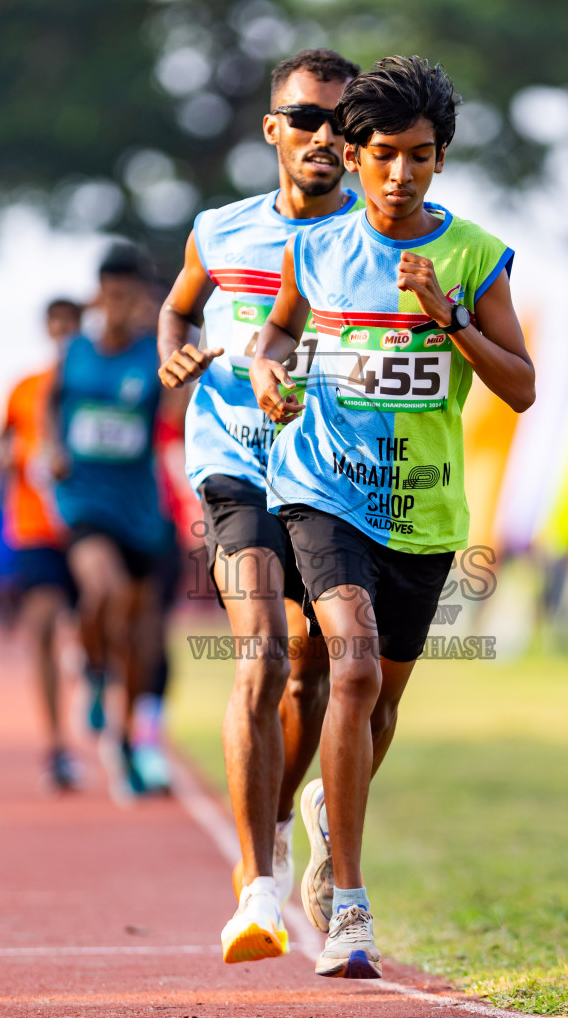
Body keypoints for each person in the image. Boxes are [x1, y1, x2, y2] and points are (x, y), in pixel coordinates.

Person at [249, 55, 535, 979]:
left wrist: (449, 318)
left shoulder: (475, 254)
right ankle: (350, 904)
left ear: (441, 159)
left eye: (418, 156)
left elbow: (522, 389)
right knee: (353, 666)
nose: (398, 174)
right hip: (322, 490)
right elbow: (280, 332)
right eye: (382, 155)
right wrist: (271, 375)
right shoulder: (319, 245)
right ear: (354, 153)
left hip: (424, 509)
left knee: (379, 709)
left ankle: (332, 811)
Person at [157, 47, 361, 965]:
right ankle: (255, 891)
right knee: (263, 649)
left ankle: (282, 822)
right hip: (232, 461)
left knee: (314, 664)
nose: (325, 135)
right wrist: (177, 354)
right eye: (306, 118)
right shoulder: (220, 229)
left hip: (330, 472)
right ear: (273, 129)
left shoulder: (375, 240)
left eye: (341, 122)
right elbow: (179, 309)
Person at [52, 244, 177, 798]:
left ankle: (126, 735)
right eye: (114, 295)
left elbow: (174, 418)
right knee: (101, 588)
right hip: (83, 501)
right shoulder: (75, 351)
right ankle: (94, 673)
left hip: (140, 510)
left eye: (133, 297)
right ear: (99, 295)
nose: (122, 306)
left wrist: (177, 357)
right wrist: (52, 447)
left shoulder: (155, 354)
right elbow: (50, 402)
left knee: (138, 629)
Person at [0, 299, 84, 792]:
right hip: (34, 528)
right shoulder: (24, 388)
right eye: (57, 329)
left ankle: (93, 675)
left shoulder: (94, 385)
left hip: (88, 525)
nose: (64, 337)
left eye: (72, 328)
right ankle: (56, 746)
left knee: (95, 627)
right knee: (43, 628)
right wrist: (19, 458)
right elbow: (1, 446)